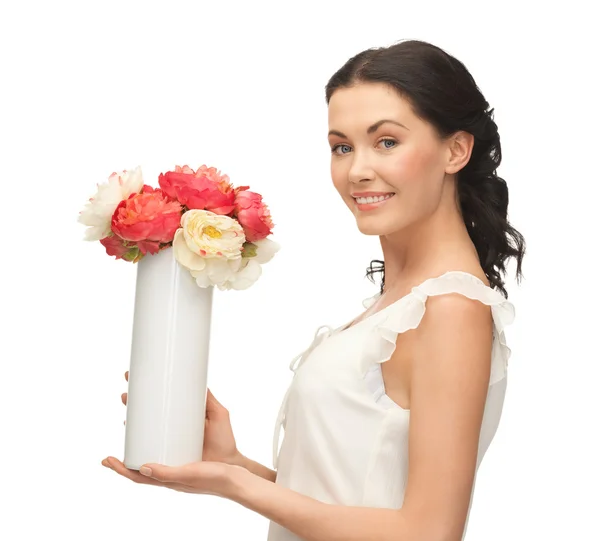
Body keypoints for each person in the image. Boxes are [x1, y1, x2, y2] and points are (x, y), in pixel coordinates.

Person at [102, 39, 526, 541]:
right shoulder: (399, 306)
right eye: (342, 146)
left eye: (387, 141)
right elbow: (346, 504)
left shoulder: (451, 307)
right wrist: (233, 465)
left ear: (455, 149)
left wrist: (236, 485)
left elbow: (428, 532)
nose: (357, 169)